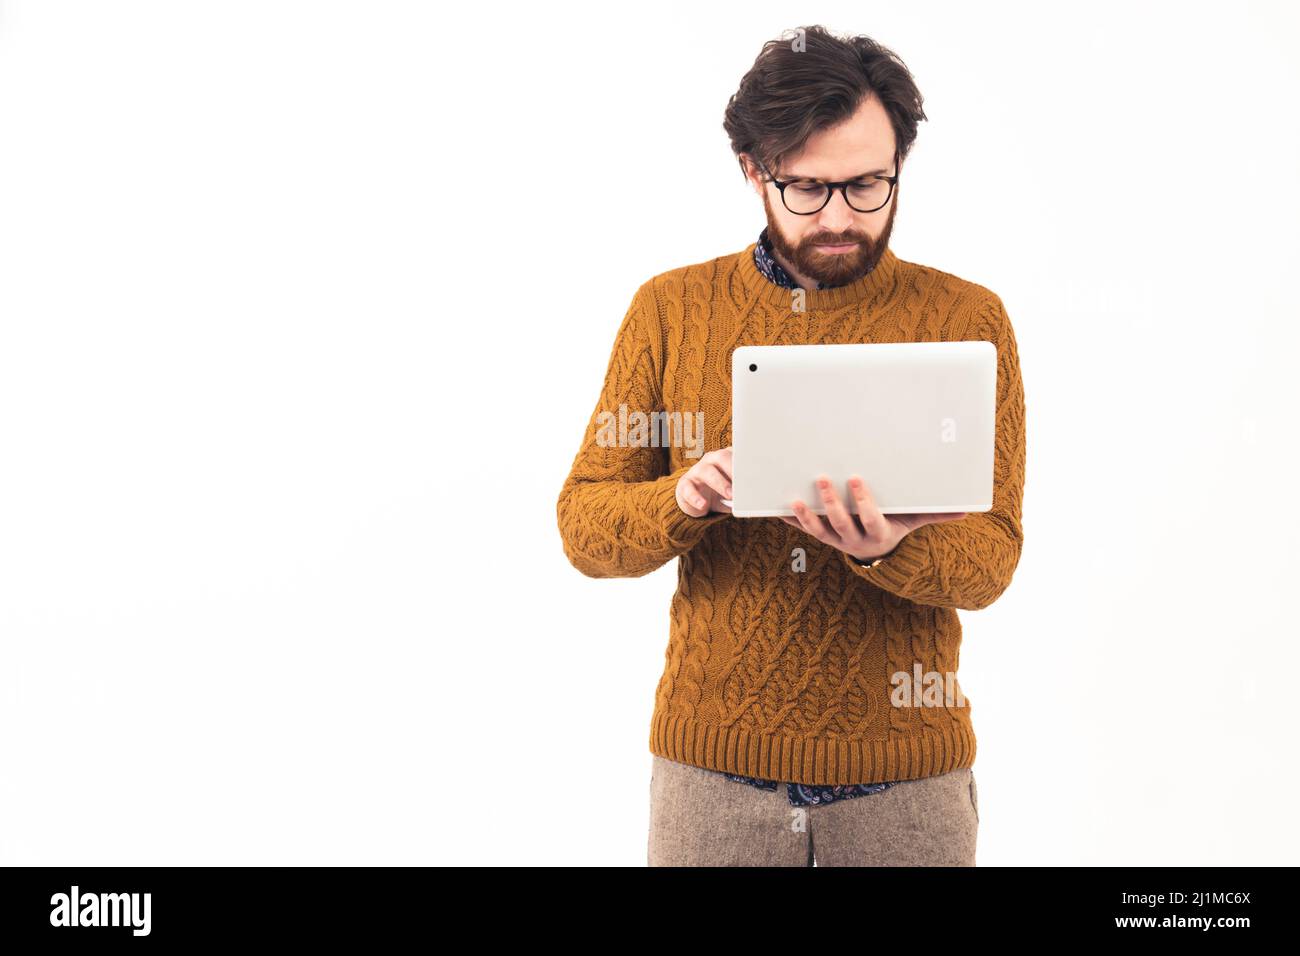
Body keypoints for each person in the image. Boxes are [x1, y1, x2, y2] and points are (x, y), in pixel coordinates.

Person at [556, 24, 1025, 866]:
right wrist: (684, 496)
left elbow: (991, 558)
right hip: (712, 782)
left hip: (907, 790)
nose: (840, 216)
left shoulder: (967, 320)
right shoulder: (670, 310)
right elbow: (585, 528)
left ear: (899, 168)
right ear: (752, 171)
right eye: (806, 188)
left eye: (867, 185)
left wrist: (892, 550)